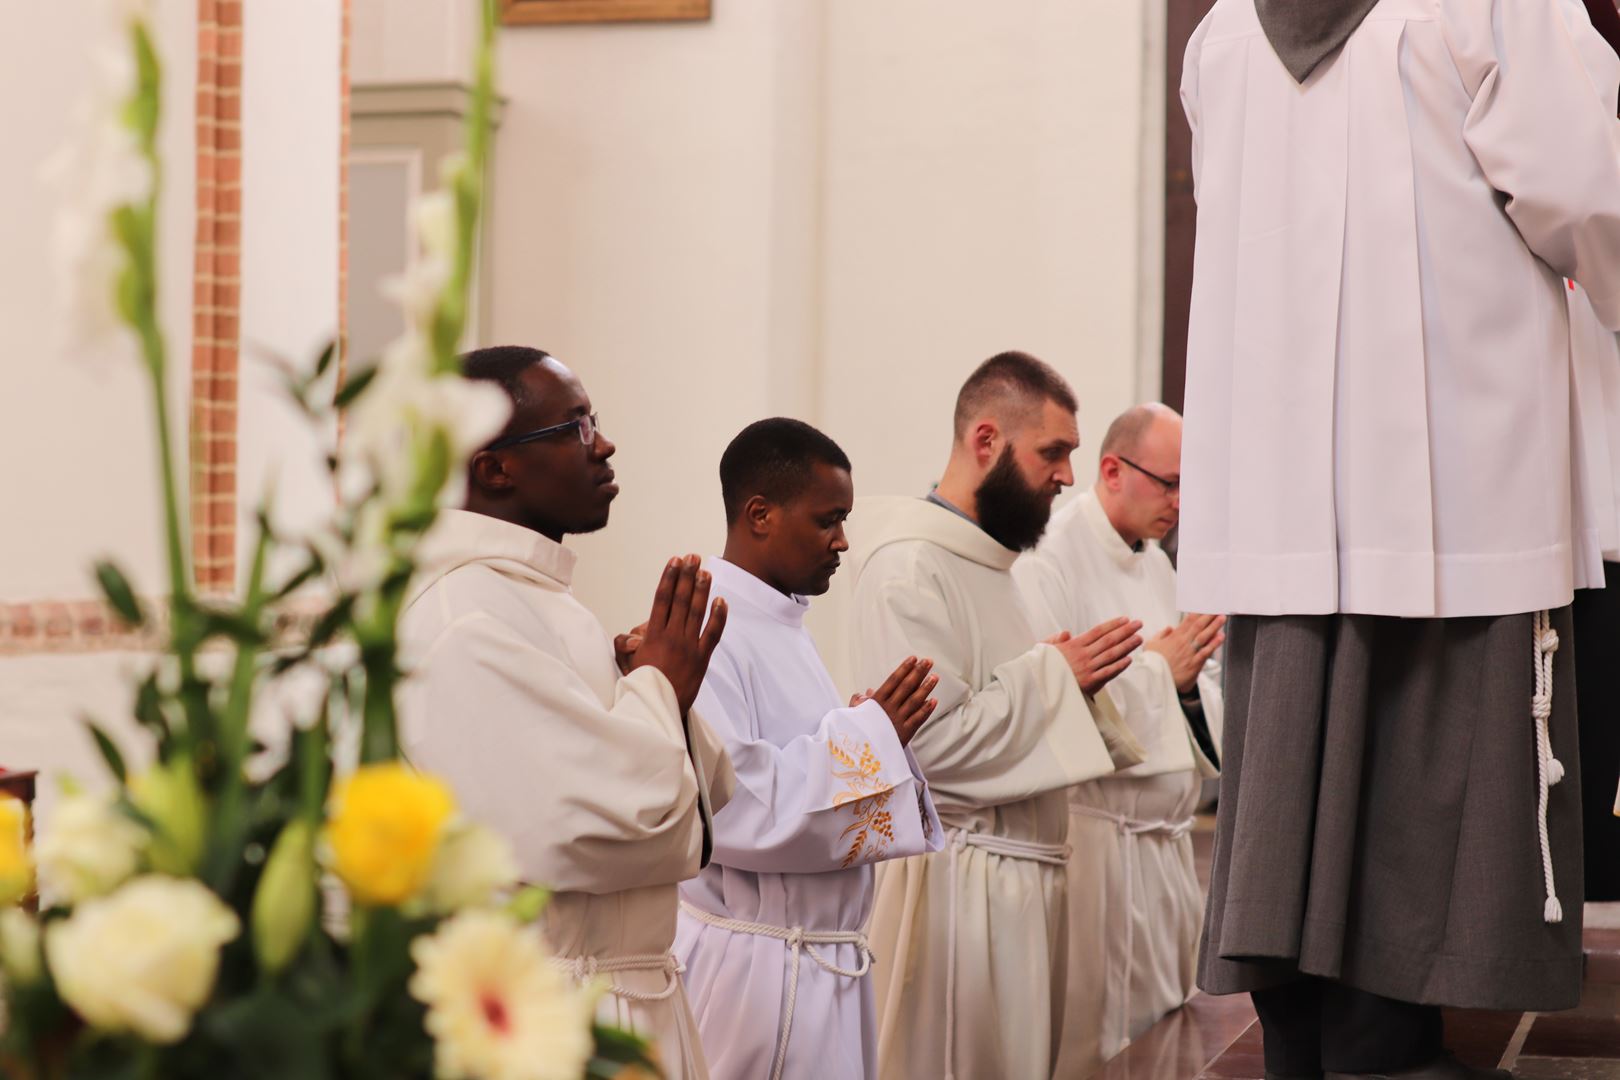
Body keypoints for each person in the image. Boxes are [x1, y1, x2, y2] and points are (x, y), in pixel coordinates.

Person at [1181, 1, 1620, 1077]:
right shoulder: (1494, 5)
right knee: (1423, 880)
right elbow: (1588, 195)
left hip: (1282, 510)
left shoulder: (1223, 31)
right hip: (1458, 505)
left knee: (1295, 838)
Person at [399, 346, 735, 1080]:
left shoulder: (532, 598)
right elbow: (609, 828)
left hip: (622, 990)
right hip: (558, 1015)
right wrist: (660, 690)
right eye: (576, 427)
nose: (604, 444)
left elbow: (703, 796)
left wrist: (646, 686)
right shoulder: (465, 618)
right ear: (495, 467)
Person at [843, 350, 1146, 1080]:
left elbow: (1013, 698)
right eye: (1054, 452)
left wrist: (1068, 678)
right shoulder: (910, 568)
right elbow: (930, 747)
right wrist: (1055, 675)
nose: (1068, 477)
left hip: (1029, 885)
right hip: (961, 893)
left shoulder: (1006, 571)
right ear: (986, 442)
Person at [672, 417, 944, 1080]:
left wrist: (871, 736)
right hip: (757, 976)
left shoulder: (783, 622)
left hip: (820, 962)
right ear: (760, 514)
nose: (843, 541)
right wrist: (870, 735)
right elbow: (731, 806)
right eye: (829, 520)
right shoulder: (707, 629)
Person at [1013, 402, 1225, 1074]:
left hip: (1162, 851)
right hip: (1097, 845)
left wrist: (1184, 686)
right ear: (1111, 469)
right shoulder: (1048, 558)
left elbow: (1196, 685)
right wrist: (1162, 672)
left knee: (1162, 1034)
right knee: (1094, 1045)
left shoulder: (1159, 568)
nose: (1180, 503)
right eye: (1169, 483)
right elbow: (1050, 695)